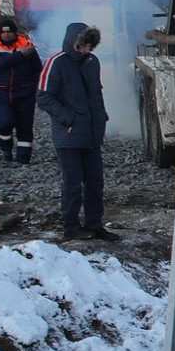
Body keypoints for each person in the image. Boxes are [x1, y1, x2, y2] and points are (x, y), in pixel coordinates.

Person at [38, 22, 117, 241]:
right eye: (84, 45)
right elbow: (43, 97)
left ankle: (95, 224)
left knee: (95, 181)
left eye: (90, 46)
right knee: (72, 182)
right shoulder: (56, 63)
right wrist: (67, 118)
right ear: (74, 43)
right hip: (68, 135)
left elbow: (96, 95)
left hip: (91, 133)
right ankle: (71, 226)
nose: (87, 50)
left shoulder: (92, 62)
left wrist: (101, 119)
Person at [0, 17, 41, 164]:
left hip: (25, 93)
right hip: (2, 92)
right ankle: (6, 148)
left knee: (25, 126)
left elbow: (37, 69)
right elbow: (0, 64)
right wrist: (21, 55)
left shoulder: (27, 45)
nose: (7, 35)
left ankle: (23, 158)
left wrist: (32, 86)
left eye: (9, 32)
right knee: (5, 122)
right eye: (3, 32)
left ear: (15, 33)